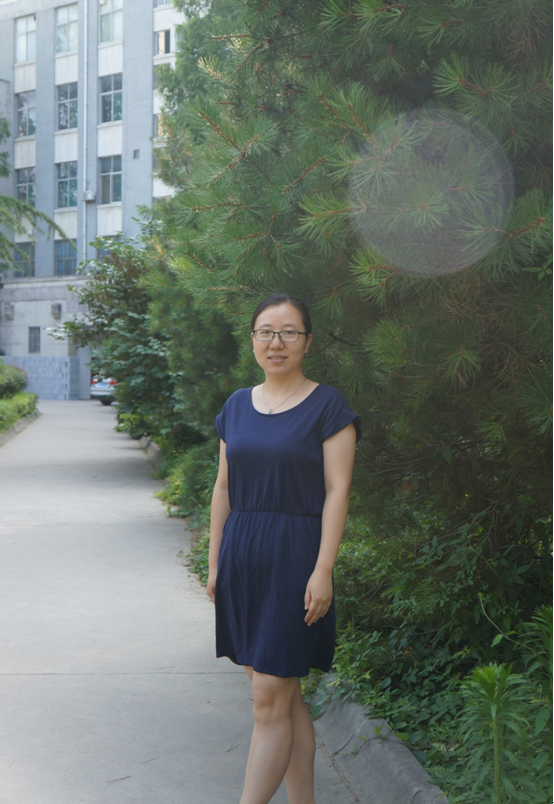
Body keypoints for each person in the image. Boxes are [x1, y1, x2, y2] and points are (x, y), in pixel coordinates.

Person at [207, 293, 361, 804]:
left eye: (289, 332)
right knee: (285, 699)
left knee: (268, 701)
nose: (277, 342)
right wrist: (215, 563)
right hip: (242, 558)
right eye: (266, 332)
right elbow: (224, 487)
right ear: (252, 339)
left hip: (296, 559)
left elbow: (338, 490)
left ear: (307, 342)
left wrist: (324, 569)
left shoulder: (328, 406)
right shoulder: (236, 406)